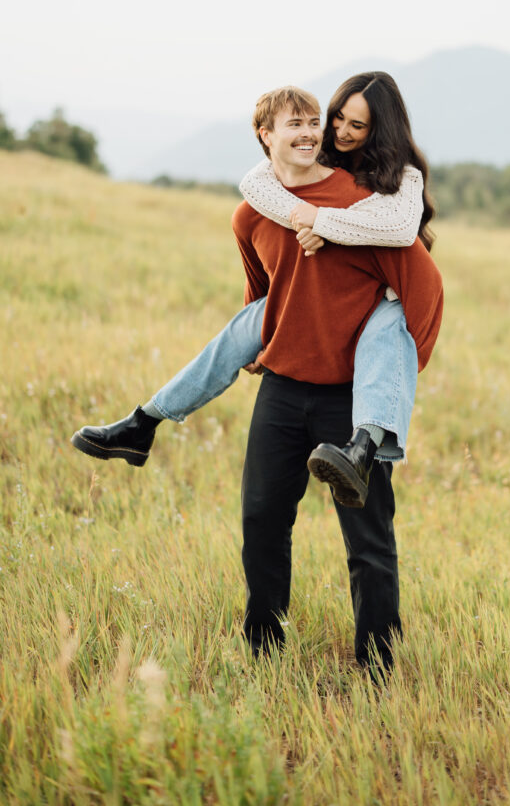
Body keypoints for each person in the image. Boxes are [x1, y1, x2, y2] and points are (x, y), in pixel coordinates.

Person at [71, 72, 436, 508]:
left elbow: (396, 229)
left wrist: (322, 224)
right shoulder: (315, 164)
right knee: (240, 328)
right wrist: (308, 218)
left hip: (394, 294)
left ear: (379, 131)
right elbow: (256, 183)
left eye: (356, 126)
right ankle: (143, 422)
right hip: (308, 316)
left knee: (381, 338)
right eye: (335, 119)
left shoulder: (399, 176)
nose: (339, 132)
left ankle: (363, 447)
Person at [231, 86, 443, 667]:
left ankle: (378, 666)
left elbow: (419, 275)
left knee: (368, 539)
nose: (318, 133)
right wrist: (257, 343)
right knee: (262, 521)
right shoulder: (252, 212)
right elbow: (260, 287)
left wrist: (413, 353)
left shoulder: (365, 204)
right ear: (265, 136)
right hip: (280, 388)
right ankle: (262, 653)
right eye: (295, 124)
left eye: (314, 123)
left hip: (350, 399)